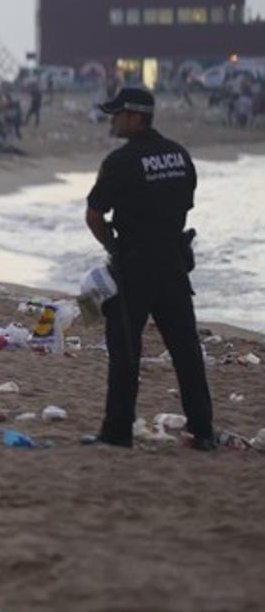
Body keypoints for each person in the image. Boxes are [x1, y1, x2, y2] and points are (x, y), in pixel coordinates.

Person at [83, 87, 214, 450]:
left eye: (117, 114)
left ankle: (117, 432)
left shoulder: (121, 162)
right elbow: (185, 204)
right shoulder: (179, 156)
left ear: (136, 117)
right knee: (186, 349)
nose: (112, 120)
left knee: (125, 349)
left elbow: (94, 216)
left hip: (135, 266)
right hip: (173, 263)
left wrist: (113, 246)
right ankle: (203, 431)